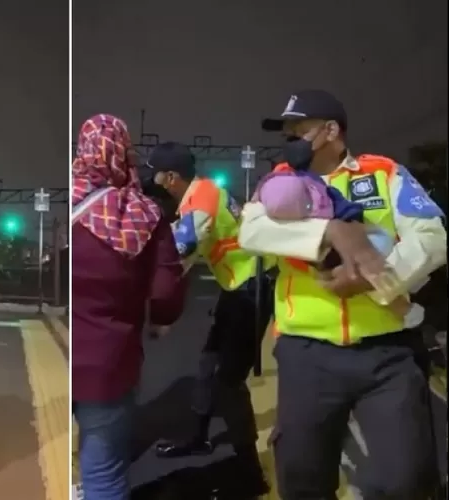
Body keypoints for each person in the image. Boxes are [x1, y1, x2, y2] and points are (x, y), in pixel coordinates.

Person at [239, 89, 447, 499]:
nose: (290, 141)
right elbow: (251, 231)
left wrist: (377, 278)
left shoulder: (384, 173)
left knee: (408, 480)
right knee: (303, 478)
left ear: (331, 131)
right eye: (288, 133)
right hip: (307, 355)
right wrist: (328, 232)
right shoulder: (279, 181)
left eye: (299, 130)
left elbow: (433, 235)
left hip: (387, 354)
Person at [141, 142, 272, 492]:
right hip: (238, 288)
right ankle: (197, 437)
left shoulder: (201, 201)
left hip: (252, 290)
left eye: (153, 172)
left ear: (170, 177)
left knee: (228, 382)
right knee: (206, 366)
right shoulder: (199, 195)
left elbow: (178, 252)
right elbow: (181, 261)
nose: (149, 178)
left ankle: (250, 473)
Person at [71, 114, 187, 500]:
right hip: (109, 363)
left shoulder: (68, 207)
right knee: (103, 469)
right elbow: (167, 291)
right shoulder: (144, 215)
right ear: (125, 154)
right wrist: (161, 320)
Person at [256, 172, 426, 325]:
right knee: (365, 270)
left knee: (359, 275)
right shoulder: (303, 181)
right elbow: (252, 232)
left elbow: (430, 236)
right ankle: (411, 290)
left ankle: (406, 307)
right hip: (306, 335)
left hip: (380, 335)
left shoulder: (382, 170)